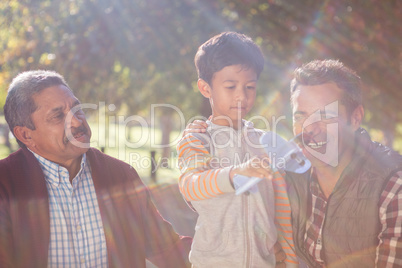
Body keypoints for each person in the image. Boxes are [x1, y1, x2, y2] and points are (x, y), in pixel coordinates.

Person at [0, 70, 191, 268]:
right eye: (58, 116)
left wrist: (218, 250)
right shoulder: (5, 185)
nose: (76, 121)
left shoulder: (121, 175)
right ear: (25, 135)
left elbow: (167, 248)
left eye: (77, 109)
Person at [177, 32, 297, 267]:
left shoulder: (265, 143)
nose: (242, 95)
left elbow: (281, 207)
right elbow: (191, 186)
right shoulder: (197, 139)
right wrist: (234, 175)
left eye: (250, 87)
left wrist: (289, 261)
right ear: (206, 88)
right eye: (230, 86)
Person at [287, 59, 402, 267]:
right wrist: (210, 135)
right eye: (301, 116)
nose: (310, 128)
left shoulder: (394, 186)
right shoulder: (289, 174)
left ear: (355, 118)